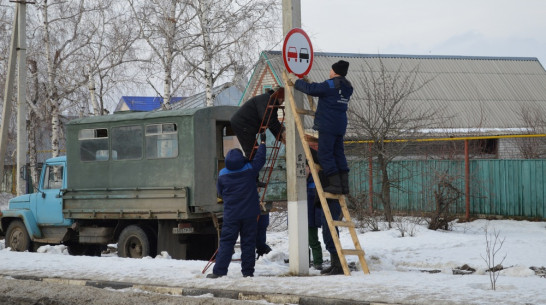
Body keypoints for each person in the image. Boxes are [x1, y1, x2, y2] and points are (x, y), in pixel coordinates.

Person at [207, 133, 267, 278]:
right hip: (249, 215)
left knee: (227, 243)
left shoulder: (222, 174)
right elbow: (260, 159)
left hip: (231, 215)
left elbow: (220, 193)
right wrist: (263, 143)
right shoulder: (249, 170)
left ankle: (219, 272)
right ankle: (247, 273)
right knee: (248, 244)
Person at [288, 61, 353, 195]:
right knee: (338, 154)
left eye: (331, 70)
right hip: (340, 125)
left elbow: (312, 90)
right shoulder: (347, 87)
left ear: (334, 72)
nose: (329, 72)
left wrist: (296, 81)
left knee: (324, 154)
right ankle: (344, 186)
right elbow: (324, 90)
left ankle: (335, 184)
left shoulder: (330, 84)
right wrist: (311, 82)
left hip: (328, 124)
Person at [230, 87, 285, 164]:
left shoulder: (269, 100)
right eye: (282, 99)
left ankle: (250, 171)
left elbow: (270, 120)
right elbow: (269, 119)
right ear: (278, 96)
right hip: (243, 124)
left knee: (253, 153)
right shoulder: (268, 101)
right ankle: (250, 173)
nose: (282, 102)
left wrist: (279, 137)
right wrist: (282, 132)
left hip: (244, 124)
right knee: (253, 154)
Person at [306, 162, 323, 270]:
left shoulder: (315, 182)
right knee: (302, 242)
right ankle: (304, 261)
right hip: (300, 218)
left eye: (306, 167)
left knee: (313, 241)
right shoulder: (296, 182)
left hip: (311, 218)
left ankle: (318, 262)